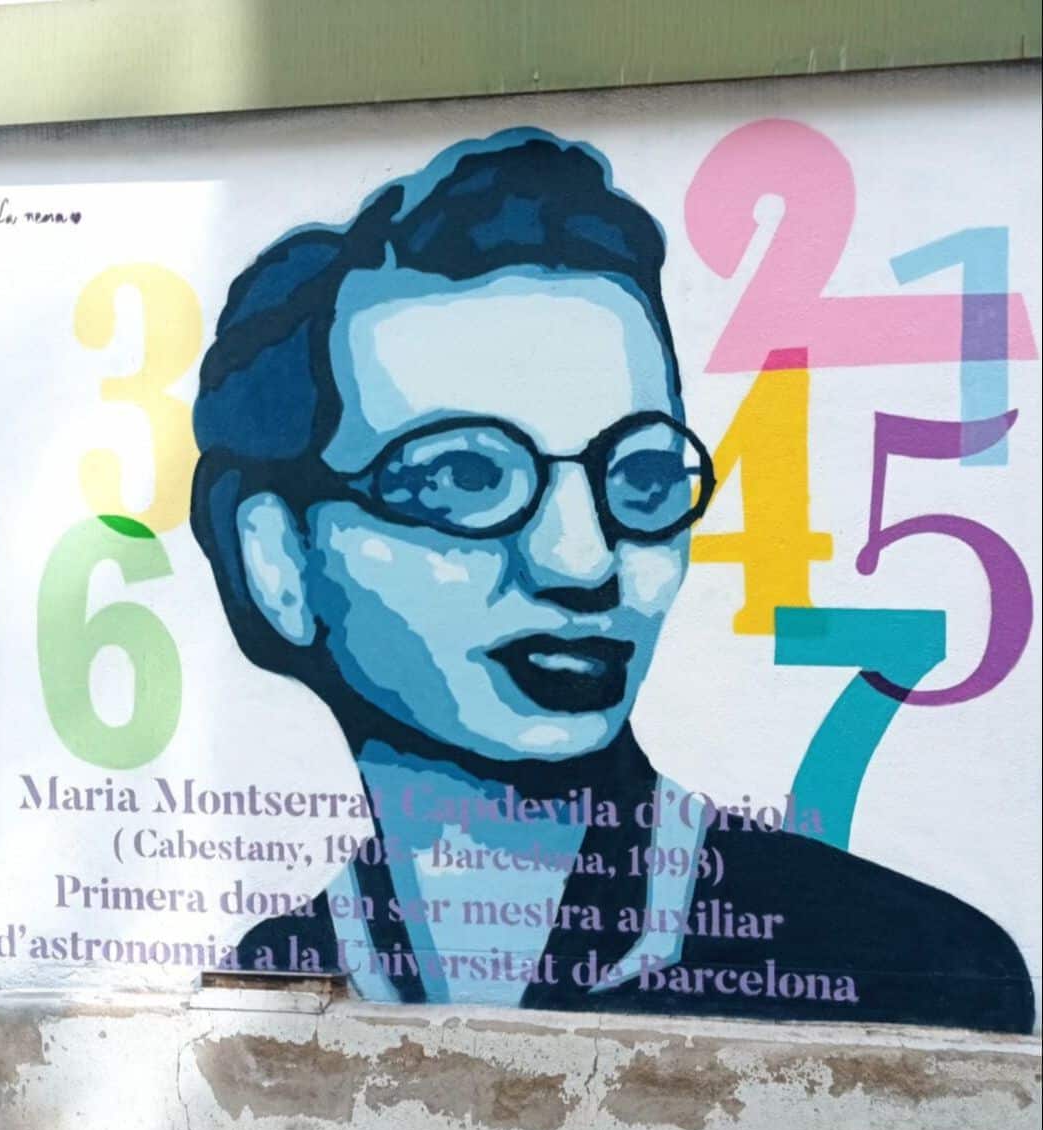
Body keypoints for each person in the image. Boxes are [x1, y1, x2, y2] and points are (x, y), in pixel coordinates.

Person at [191, 128, 1033, 1031]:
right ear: (276, 559)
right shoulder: (272, 982)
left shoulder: (904, 967)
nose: (581, 560)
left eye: (641, 477)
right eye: (462, 476)